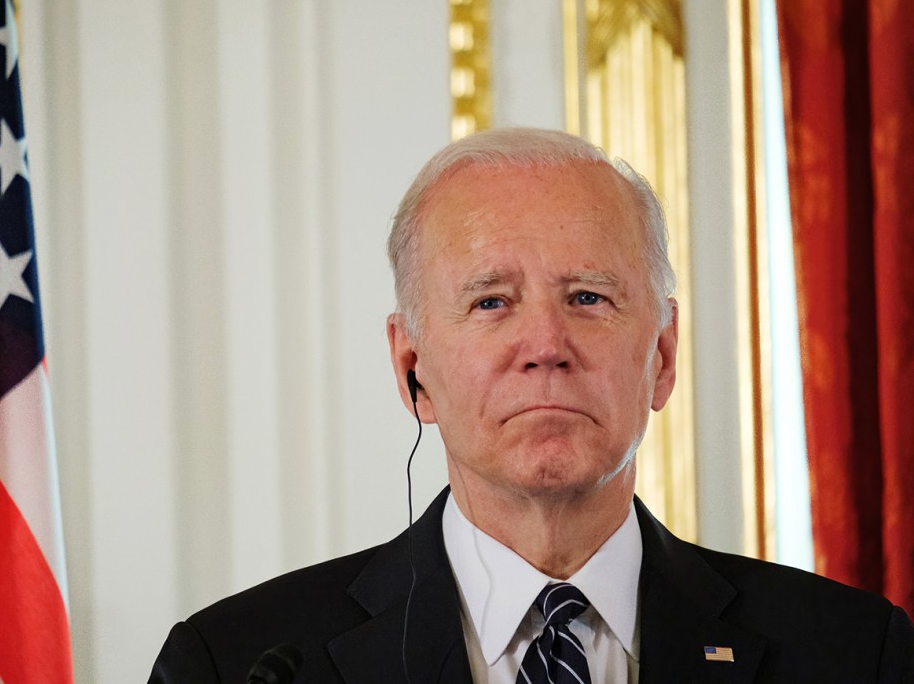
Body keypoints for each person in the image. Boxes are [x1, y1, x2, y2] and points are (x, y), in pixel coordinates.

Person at [149, 128, 914, 683]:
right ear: (412, 366)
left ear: (664, 355)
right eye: (491, 302)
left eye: (588, 296)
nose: (545, 343)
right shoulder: (241, 662)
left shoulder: (851, 653)